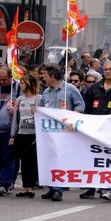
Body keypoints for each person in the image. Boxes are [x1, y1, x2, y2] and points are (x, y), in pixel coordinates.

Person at [38, 64, 85, 202]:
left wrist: (72, 118)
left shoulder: (70, 89)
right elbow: (42, 109)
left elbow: (80, 106)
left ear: (52, 76)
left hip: (64, 133)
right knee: (50, 159)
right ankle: (52, 187)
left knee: (61, 160)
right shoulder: (46, 92)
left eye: (45, 75)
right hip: (49, 133)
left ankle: (59, 189)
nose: (43, 77)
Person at [79, 62, 111, 200]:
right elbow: (86, 107)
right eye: (106, 69)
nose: (107, 72)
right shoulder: (95, 87)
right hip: (94, 128)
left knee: (107, 160)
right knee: (92, 158)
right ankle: (90, 187)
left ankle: (105, 186)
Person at [9, 73, 42, 198]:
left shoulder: (39, 98)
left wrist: (37, 111)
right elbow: (15, 119)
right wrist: (12, 135)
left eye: (22, 83)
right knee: (23, 161)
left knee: (31, 161)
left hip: (33, 134)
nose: (20, 86)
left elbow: (44, 115)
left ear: (29, 84)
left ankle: (31, 186)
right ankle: (26, 187)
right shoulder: (19, 99)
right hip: (21, 134)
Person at [0, 66, 20, 196]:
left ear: (11, 77)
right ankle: (7, 179)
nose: (2, 82)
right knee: (1, 157)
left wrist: (16, 111)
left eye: (4, 79)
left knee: (8, 157)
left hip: (9, 129)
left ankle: (4, 183)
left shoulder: (18, 88)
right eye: (0, 79)